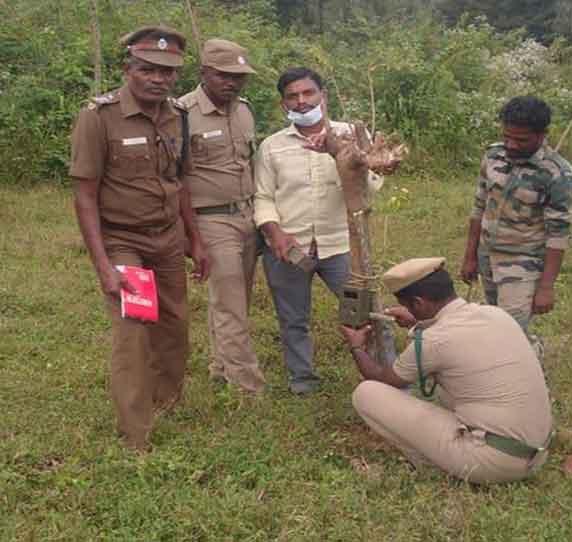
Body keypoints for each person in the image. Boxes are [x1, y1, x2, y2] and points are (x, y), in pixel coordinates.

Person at [70, 26, 209, 451]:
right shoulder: (99, 117)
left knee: (174, 325)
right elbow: (85, 194)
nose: (158, 79)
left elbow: (180, 182)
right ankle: (137, 434)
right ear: (128, 68)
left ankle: (166, 400)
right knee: (134, 331)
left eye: (167, 73)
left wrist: (195, 239)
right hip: (123, 241)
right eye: (148, 69)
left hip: (167, 238)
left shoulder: (178, 117)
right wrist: (104, 266)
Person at [339, 258, 553, 484]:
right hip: (536, 453)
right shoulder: (495, 314)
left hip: (492, 464)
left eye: (409, 305)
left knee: (366, 393)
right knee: (450, 384)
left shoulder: (434, 340)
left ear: (418, 303)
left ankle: (432, 465)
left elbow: (385, 379)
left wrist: (356, 346)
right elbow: (452, 338)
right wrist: (419, 321)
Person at [253, 67, 383, 395]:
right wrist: (275, 233)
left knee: (366, 311)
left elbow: (371, 188)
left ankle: (383, 374)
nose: (301, 101)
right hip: (289, 248)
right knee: (293, 318)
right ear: (283, 105)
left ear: (322, 96)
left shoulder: (352, 135)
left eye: (308, 93)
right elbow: (263, 196)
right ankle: (303, 381)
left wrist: (351, 158)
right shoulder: (272, 147)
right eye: (292, 97)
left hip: (341, 244)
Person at [460, 96, 572, 359]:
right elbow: (479, 207)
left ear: (542, 135)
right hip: (487, 255)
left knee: (509, 331)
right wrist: (470, 256)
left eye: (521, 140)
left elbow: (558, 235)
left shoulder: (557, 175)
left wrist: (547, 286)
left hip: (522, 261)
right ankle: (522, 357)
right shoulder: (493, 156)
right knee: (494, 321)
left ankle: (524, 380)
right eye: (507, 137)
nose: (512, 145)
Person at [179, 39, 264, 393]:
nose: (233, 83)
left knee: (235, 297)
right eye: (225, 76)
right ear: (204, 73)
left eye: (239, 77)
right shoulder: (181, 113)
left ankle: (220, 367)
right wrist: (191, 235)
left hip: (247, 214)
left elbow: (251, 162)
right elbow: (176, 178)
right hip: (210, 220)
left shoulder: (243, 110)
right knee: (232, 306)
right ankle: (248, 387)